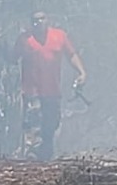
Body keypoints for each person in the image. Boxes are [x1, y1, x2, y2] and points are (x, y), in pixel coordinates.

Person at [17, 11, 86, 160]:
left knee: (51, 124)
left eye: (41, 19)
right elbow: (14, 56)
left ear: (48, 20)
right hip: (32, 91)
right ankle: (32, 156)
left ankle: (45, 156)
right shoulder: (25, 39)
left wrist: (81, 72)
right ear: (31, 22)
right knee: (34, 125)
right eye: (35, 20)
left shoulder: (59, 36)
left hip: (52, 91)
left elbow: (71, 55)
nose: (38, 22)